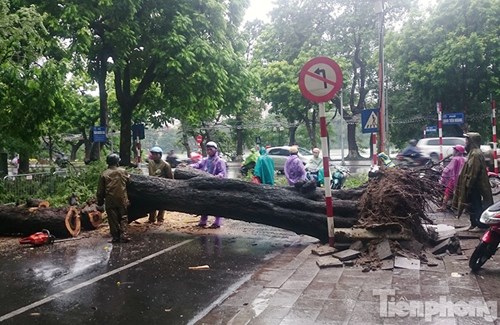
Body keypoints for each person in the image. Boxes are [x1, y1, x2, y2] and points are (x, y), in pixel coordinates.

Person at [452, 133, 493, 230]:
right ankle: (473, 223)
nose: (465, 142)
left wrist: (468, 185)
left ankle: (480, 225)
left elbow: (473, 172)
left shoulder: (475, 154)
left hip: (475, 185)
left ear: (472, 141)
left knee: (476, 205)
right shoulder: (471, 152)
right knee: (470, 205)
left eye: (467, 140)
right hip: (470, 184)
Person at [190, 141, 227, 228]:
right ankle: (203, 220)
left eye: (211, 149)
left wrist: (215, 177)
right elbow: (198, 165)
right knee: (204, 203)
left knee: (216, 204)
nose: (209, 151)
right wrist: (189, 166)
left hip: (216, 186)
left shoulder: (220, 161)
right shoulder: (205, 160)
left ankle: (217, 222)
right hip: (206, 185)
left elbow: (222, 173)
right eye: (208, 149)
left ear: (215, 150)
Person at [96, 153, 131, 243]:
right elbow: (129, 182)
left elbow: (100, 190)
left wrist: (100, 202)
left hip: (110, 199)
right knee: (123, 217)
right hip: (122, 198)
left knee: (112, 219)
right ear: (117, 162)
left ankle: (115, 237)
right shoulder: (123, 171)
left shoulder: (104, 174)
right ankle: (124, 235)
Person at [147, 146, 173, 224]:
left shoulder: (166, 165)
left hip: (162, 186)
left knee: (162, 203)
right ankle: (152, 218)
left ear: (160, 155)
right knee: (152, 203)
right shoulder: (151, 163)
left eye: (156, 154)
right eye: (153, 154)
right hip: (152, 185)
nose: (154, 156)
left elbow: (170, 177)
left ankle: (160, 218)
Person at [438, 145, 466, 211]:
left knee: (447, 192)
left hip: (453, 178)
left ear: (457, 152)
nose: (453, 152)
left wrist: (443, 170)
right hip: (461, 179)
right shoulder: (464, 159)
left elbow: (448, 169)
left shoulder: (455, 159)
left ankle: (443, 206)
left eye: (454, 150)